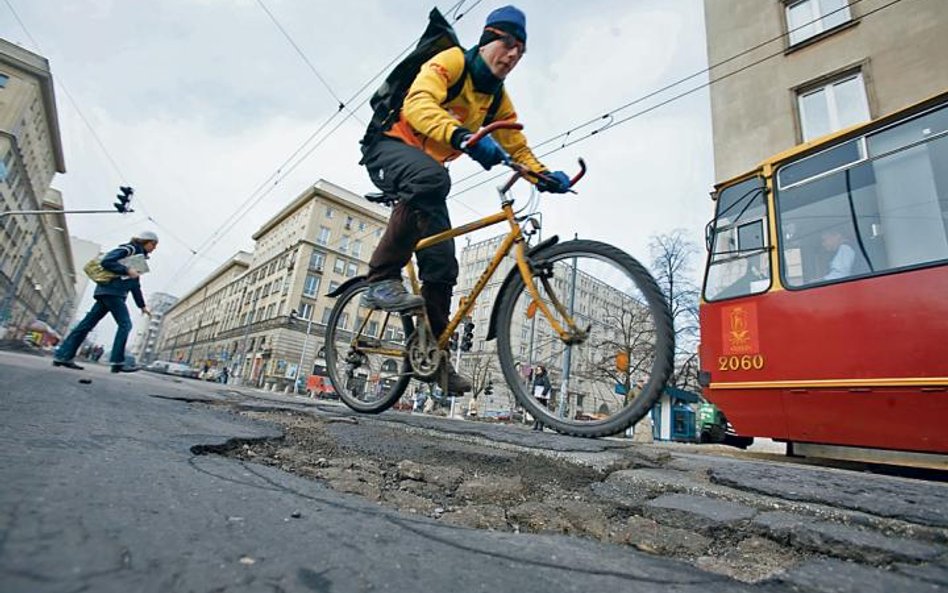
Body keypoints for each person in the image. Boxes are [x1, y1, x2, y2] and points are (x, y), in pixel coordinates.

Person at [359, 5, 573, 394]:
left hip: (427, 173)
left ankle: (433, 357)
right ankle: (380, 278)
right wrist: (461, 136)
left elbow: (517, 147)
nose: (513, 56)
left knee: (442, 264)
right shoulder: (452, 61)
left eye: (521, 51)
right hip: (389, 146)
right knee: (432, 176)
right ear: (489, 38)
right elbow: (418, 104)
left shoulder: (497, 100)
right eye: (508, 44)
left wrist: (544, 176)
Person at [53, 231, 158, 373]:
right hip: (112, 292)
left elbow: (135, 284)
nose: (154, 247)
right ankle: (118, 362)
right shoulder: (129, 249)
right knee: (125, 324)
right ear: (144, 241)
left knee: (85, 325)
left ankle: (63, 356)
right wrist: (126, 270)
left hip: (111, 293)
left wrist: (142, 305)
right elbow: (106, 261)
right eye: (153, 244)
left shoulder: (138, 258)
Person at [531, 364, 552, 431]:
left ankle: (540, 426)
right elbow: (534, 387)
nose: (537, 371)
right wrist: (532, 394)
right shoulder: (536, 378)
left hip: (542, 398)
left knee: (541, 412)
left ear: (542, 371)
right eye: (537, 369)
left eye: (539, 369)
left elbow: (548, 386)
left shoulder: (544, 378)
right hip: (536, 397)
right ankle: (535, 425)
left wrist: (543, 393)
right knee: (535, 412)